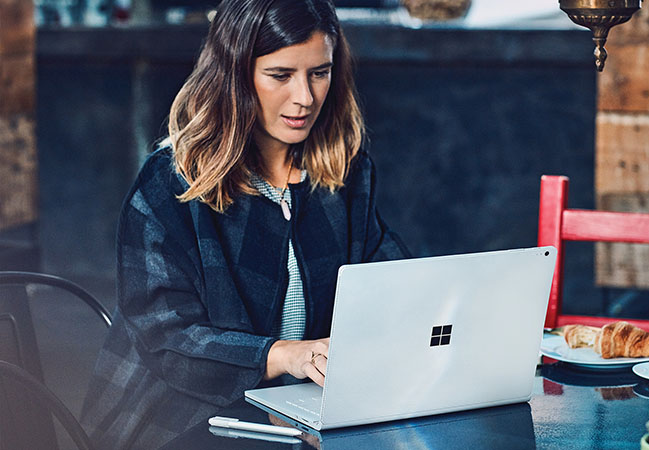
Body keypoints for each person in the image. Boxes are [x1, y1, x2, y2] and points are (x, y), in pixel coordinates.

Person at [80, 0, 409, 448]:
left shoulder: (344, 174)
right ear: (235, 75)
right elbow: (168, 340)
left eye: (320, 72)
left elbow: (393, 280)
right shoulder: (172, 183)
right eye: (280, 75)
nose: (305, 97)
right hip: (176, 418)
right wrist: (278, 354)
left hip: (296, 410)